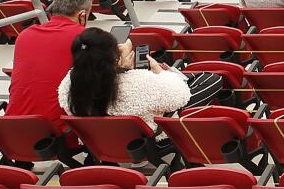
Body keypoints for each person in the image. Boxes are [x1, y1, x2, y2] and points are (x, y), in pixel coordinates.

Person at [58, 25, 222, 119]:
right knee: (212, 80)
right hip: (148, 137)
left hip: (100, 141)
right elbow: (180, 95)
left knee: (188, 77)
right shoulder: (139, 81)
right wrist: (159, 72)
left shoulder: (69, 83)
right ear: (113, 59)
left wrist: (121, 68)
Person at [7, 0, 96, 126]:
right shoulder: (84, 38)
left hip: (12, 129)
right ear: (82, 15)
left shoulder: (25, 35)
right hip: (57, 134)